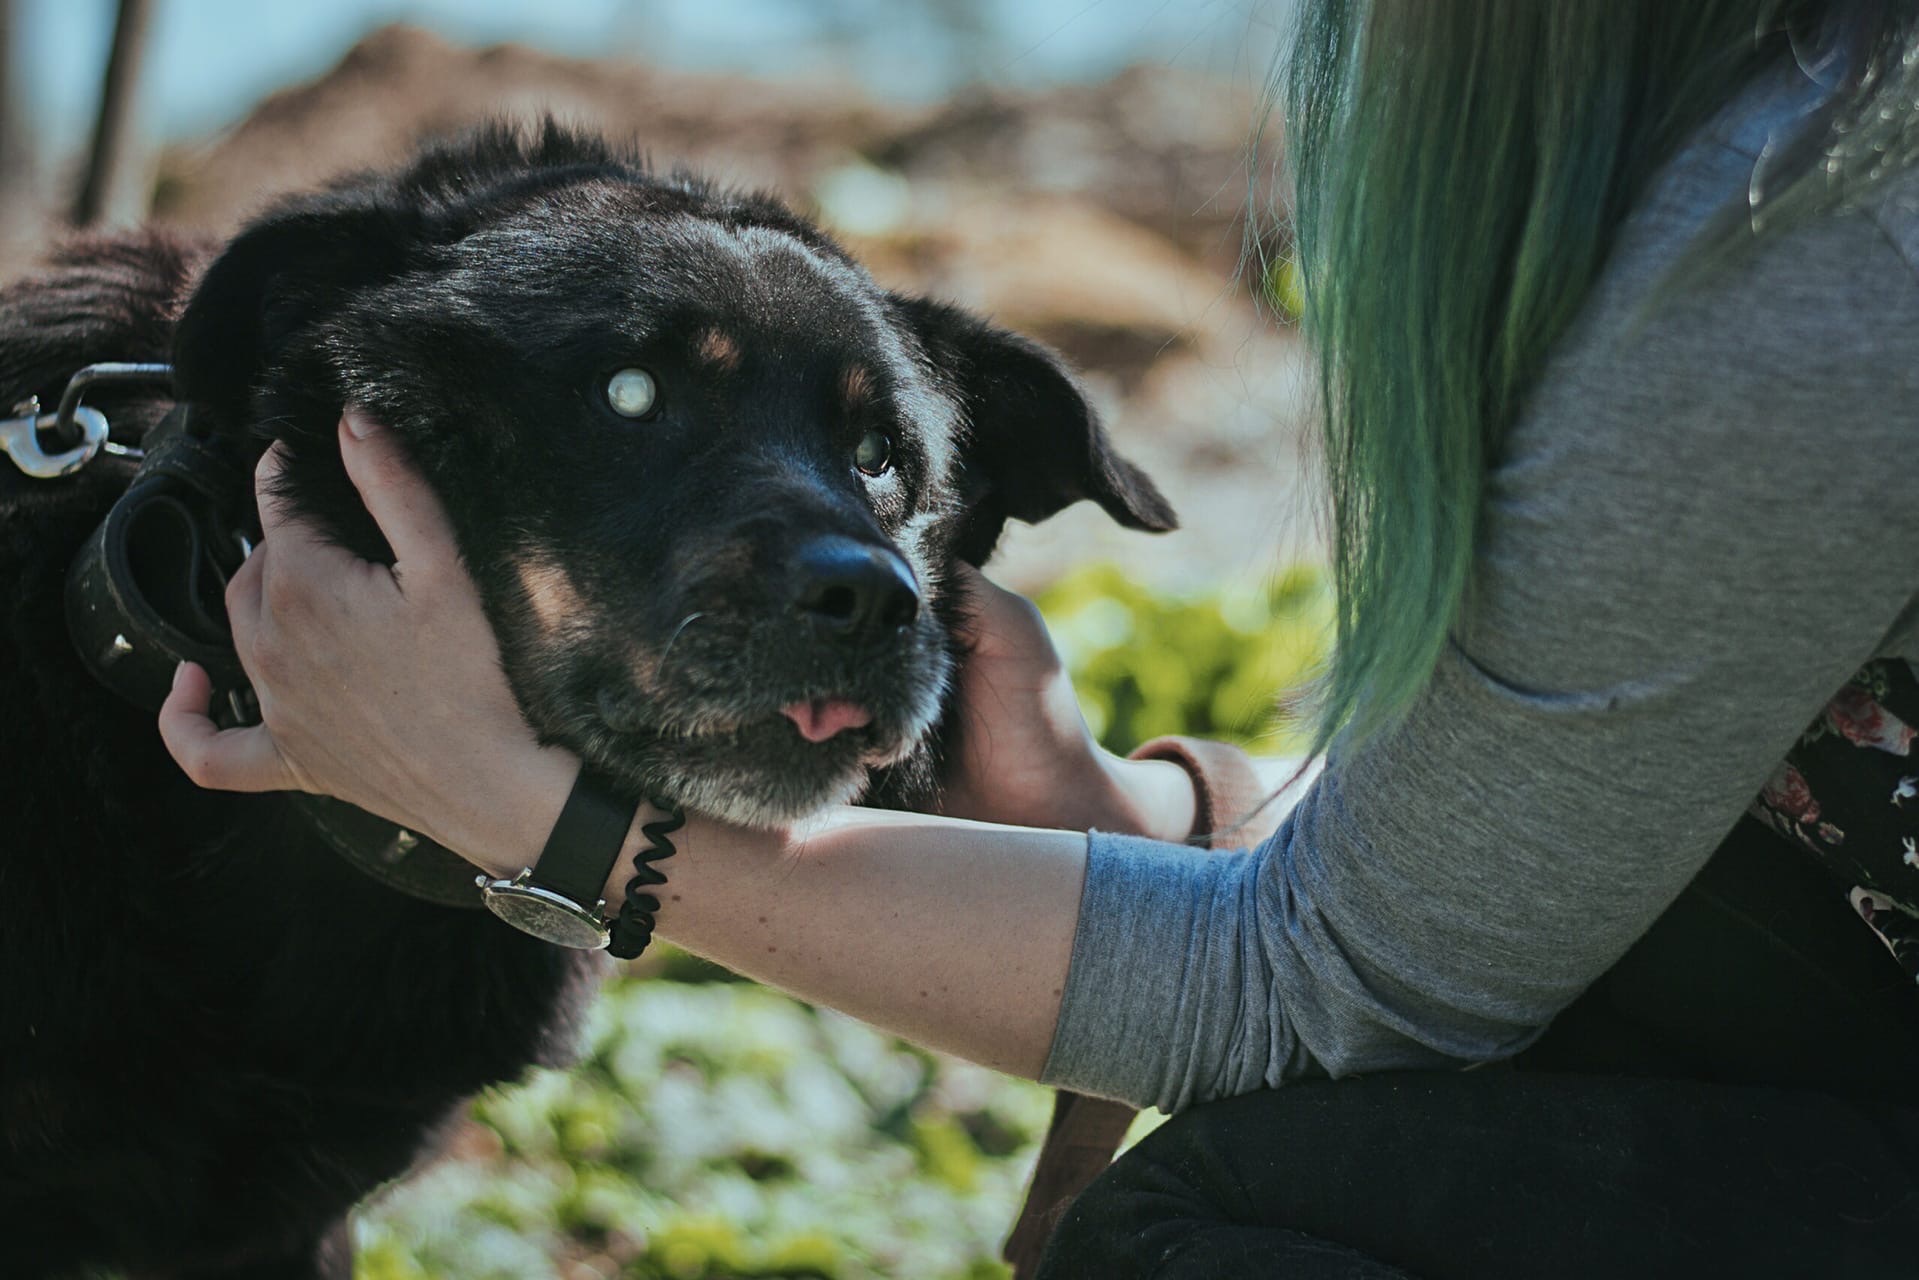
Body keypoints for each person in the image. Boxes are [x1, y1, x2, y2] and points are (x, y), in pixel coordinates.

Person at [159, 1, 1919, 1275]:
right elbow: (1626, 806)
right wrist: (1163, 820)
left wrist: (547, 825)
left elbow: (1331, 995)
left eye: (875, 471)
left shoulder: (1803, 247)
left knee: (1210, 1232)